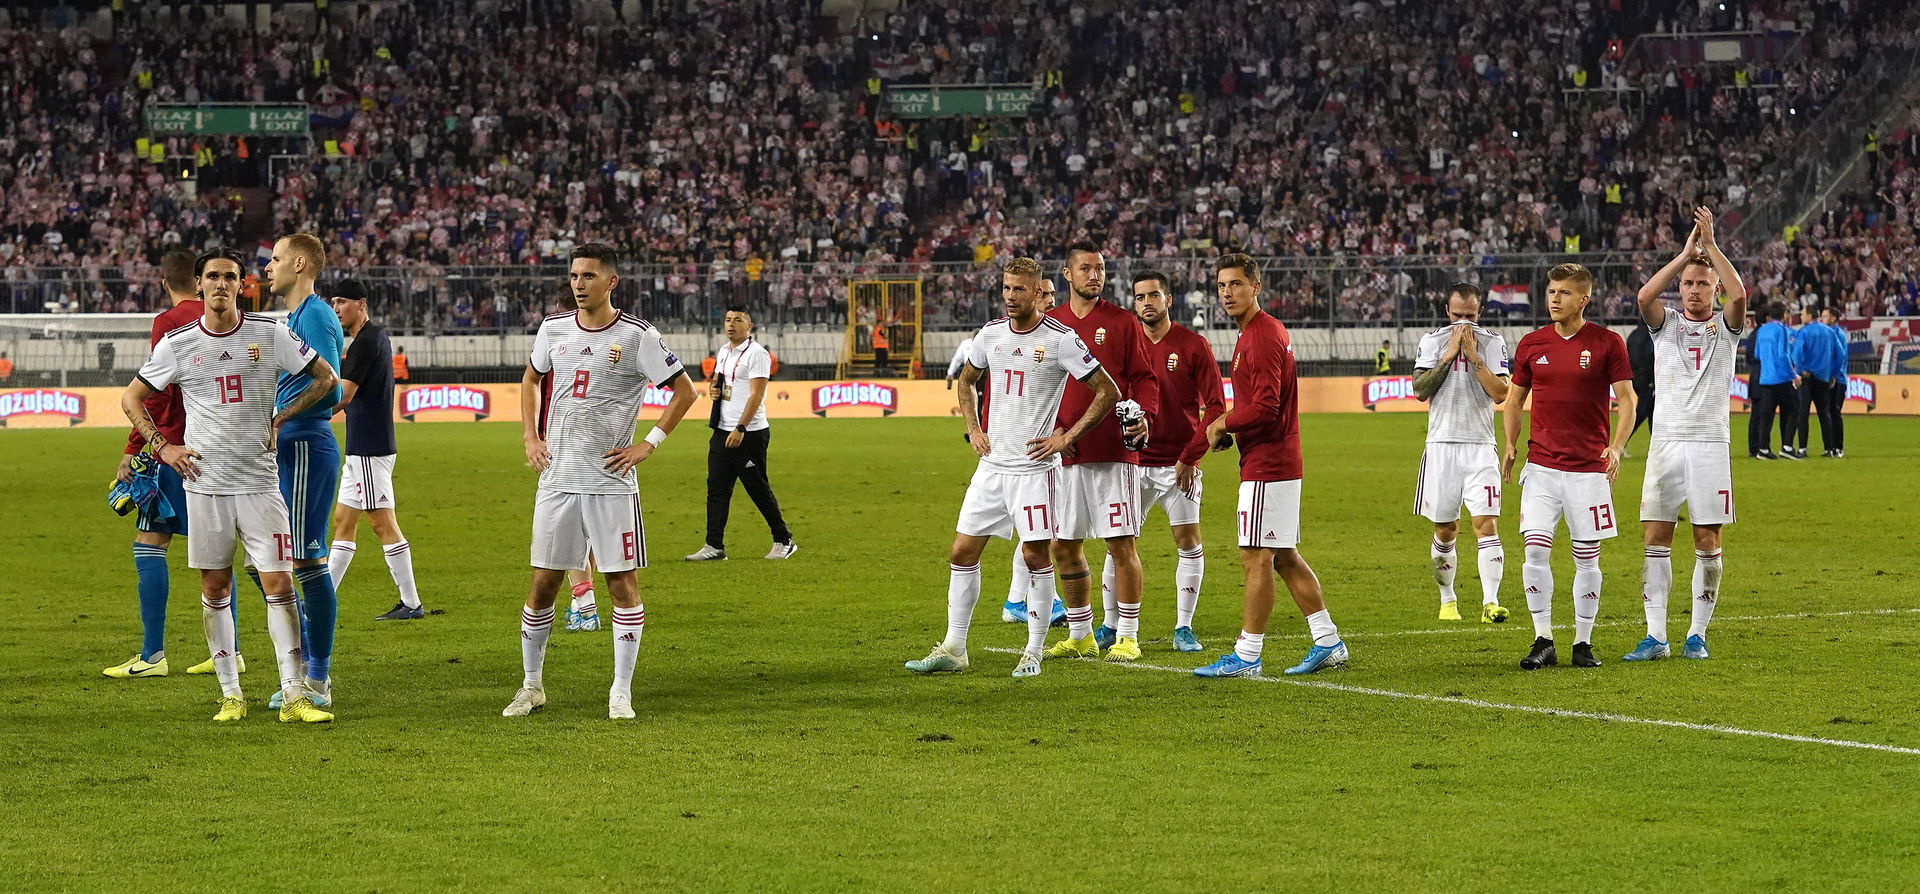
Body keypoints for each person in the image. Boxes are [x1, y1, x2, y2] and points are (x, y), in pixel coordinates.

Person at [119, 248, 340, 722]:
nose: (221, 284)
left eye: (230, 277)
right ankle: (231, 694)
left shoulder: (270, 332)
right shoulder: (177, 343)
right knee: (215, 585)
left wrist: (283, 416)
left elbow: (325, 378)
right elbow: (133, 397)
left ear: (243, 285)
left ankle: (295, 694)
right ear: (198, 285)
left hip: (261, 484)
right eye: (212, 276)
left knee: (279, 582)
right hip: (205, 484)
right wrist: (163, 447)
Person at [505, 243, 698, 720]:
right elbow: (531, 379)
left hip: (611, 482)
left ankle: (620, 691)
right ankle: (531, 687)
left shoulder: (637, 336)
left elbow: (685, 391)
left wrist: (647, 444)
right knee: (543, 584)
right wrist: (531, 436)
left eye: (588, 276)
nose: (578, 283)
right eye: (574, 276)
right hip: (557, 479)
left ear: (611, 282)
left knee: (621, 585)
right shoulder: (553, 328)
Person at [904, 257, 1119, 678]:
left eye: (1019, 289)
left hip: (1034, 471)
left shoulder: (1061, 340)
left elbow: (1106, 390)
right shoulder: (990, 335)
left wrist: (1066, 437)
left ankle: (1033, 652)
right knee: (962, 552)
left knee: (1035, 555)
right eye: (1005, 288)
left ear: (1039, 291)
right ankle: (954, 647)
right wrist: (973, 428)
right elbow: (967, 381)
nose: (1009, 297)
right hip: (992, 467)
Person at [1194, 254, 1348, 678]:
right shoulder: (1257, 334)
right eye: (1222, 285)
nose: (1227, 293)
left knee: (1254, 556)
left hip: (1269, 464)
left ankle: (1247, 655)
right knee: (1283, 556)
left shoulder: (1260, 336)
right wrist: (1231, 428)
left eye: (1236, 285)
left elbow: (1264, 406)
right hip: (1275, 458)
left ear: (1255, 287)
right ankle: (1328, 641)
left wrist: (1223, 423)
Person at [104, 249, 249, 679]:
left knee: (149, 543)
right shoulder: (225, 320)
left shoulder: (169, 322)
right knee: (217, 552)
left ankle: (152, 656)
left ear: (165, 281)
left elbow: (157, 393)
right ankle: (232, 650)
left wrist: (137, 446)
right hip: (216, 448)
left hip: (176, 451)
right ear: (199, 280)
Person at [1625, 207, 1746, 663]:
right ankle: (1656, 636)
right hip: (1666, 444)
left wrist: (1710, 248)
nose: (1695, 290)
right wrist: (1683, 255)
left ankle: (1697, 634)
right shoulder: (1666, 325)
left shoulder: (1727, 328)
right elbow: (1643, 296)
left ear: (1714, 287)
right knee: (1655, 538)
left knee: (1707, 541)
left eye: (1703, 283)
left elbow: (1741, 293)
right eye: (1689, 284)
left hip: (1710, 443)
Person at [1501, 263, 1635, 671]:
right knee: (1534, 552)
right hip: (1541, 468)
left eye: (1563, 292)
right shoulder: (1531, 344)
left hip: (1588, 471)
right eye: (1551, 291)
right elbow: (1513, 399)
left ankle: (1582, 642)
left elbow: (1627, 399)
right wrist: (1509, 444)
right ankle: (1543, 639)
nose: (1554, 299)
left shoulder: (1608, 342)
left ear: (1584, 299)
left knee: (1586, 558)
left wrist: (1615, 446)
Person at [1040, 242, 1160, 663]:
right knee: (1063, 545)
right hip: (1063, 455)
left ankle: (1127, 635)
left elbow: (1146, 380)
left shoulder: (1123, 323)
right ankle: (1080, 634)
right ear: (1067, 275)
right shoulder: (1050, 325)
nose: (1095, 275)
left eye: (1101, 269)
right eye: (1086, 269)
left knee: (1120, 544)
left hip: (1113, 452)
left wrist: (1142, 414)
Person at [1103, 268, 1224, 652]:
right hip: (1132, 463)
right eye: (1139, 297)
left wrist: (1192, 457)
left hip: (1179, 465)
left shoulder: (1193, 345)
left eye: (1153, 295)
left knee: (1188, 542)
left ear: (1168, 300)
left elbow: (1217, 407)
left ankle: (1183, 627)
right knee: (1117, 544)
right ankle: (1110, 625)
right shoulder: (1126, 344)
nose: (1146, 303)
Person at [262, 232, 347, 711]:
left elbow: (330, 390)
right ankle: (304, 665)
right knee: (268, 563)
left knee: (307, 564)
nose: (268, 268)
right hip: (294, 448)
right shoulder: (295, 317)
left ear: (298, 263)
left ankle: (316, 677)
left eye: (275, 259)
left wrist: (280, 417)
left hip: (306, 447)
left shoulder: (313, 313)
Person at [1410, 283, 1512, 623]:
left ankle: (1490, 602)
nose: (1463, 324)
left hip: (1481, 448)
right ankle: (1448, 600)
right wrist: (1448, 355)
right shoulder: (1432, 341)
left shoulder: (1493, 342)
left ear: (1480, 313)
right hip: (1441, 448)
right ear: (1446, 311)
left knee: (1486, 524)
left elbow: (1501, 395)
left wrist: (1473, 357)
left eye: (1470, 316)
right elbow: (1420, 391)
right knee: (1446, 529)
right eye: (1457, 316)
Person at [324, 279, 425, 620]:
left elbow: (345, 395)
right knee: (343, 521)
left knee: (382, 524)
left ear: (361, 303)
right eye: (333, 302)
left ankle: (411, 603)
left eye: (342, 301)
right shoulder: (373, 338)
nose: (336, 308)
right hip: (364, 447)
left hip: (369, 447)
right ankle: (324, 598)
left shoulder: (365, 343)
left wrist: (304, 416)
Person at [685, 305, 796, 561]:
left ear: (750, 325)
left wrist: (741, 428)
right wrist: (715, 390)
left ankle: (784, 539)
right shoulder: (723, 351)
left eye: (737, 320)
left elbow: (757, 395)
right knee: (716, 489)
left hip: (748, 434)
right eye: (727, 319)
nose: (731, 324)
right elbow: (721, 382)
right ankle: (714, 546)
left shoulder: (757, 354)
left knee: (757, 488)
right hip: (722, 431)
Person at [997, 276, 1064, 625]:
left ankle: (1016, 601)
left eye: (1053, 294)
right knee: (1039, 533)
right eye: (1045, 293)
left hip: (1051, 447)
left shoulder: (1058, 335)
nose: (1050, 299)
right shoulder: (1015, 336)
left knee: (1037, 532)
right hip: (1032, 452)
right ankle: (1035, 602)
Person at [1747, 303, 1797, 460]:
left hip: (1765, 378)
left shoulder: (1762, 330)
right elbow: (1783, 355)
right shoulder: (1781, 329)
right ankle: (1787, 447)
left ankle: (1763, 449)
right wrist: (1793, 374)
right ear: (1783, 315)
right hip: (1781, 377)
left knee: (1766, 415)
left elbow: (1757, 354)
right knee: (1793, 410)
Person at [1791, 305, 1842, 458]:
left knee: (1803, 413)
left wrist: (1799, 371)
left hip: (1807, 378)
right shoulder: (1829, 332)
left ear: (1810, 315)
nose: (1801, 316)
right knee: (1824, 413)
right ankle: (1828, 448)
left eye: (1803, 314)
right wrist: (1832, 373)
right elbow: (1840, 355)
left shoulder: (1804, 332)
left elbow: (1797, 354)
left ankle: (1802, 449)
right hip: (1823, 378)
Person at [1816, 306, 1848, 457]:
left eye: (1825, 316)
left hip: (1837, 379)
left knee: (1834, 412)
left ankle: (1838, 447)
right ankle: (1831, 447)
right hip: (1830, 377)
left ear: (1833, 318)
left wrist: (1833, 375)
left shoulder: (1836, 334)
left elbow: (1839, 357)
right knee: (1829, 412)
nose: (1822, 319)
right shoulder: (1831, 333)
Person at [1626, 323, 1655, 444]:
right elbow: (1646, 359)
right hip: (1646, 380)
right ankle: (1622, 441)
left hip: (1635, 378)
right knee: (1642, 411)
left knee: (1651, 411)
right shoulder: (1647, 336)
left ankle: (1656, 442)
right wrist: (1650, 379)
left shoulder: (1634, 335)